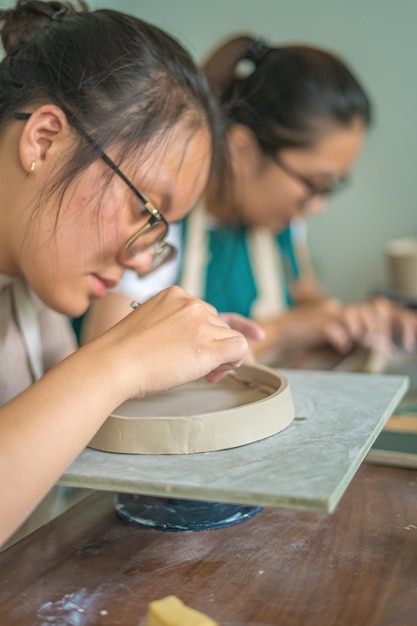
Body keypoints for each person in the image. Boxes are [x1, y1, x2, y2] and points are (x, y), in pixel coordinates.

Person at [0, 4, 268, 548]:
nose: (143, 261)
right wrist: (121, 359)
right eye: (148, 210)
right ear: (45, 140)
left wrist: (164, 361)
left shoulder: (34, 291)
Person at [82, 35, 417, 368]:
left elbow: (312, 307)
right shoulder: (162, 217)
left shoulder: (280, 221)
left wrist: (348, 326)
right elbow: (108, 358)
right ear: (242, 149)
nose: (317, 206)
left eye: (330, 188)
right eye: (315, 185)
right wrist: (281, 331)